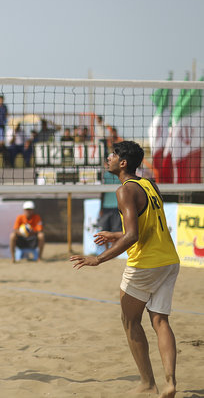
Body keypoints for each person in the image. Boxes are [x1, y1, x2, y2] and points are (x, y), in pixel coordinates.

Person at [70, 141, 180, 398]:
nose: (107, 158)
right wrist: (115, 234)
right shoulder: (149, 184)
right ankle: (170, 382)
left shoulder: (124, 191)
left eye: (112, 155)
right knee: (160, 321)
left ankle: (148, 383)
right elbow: (145, 229)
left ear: (123, 163)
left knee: (130, 321)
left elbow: (132, 237)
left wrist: (98, 259)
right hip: (169, 260)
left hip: (145, 264)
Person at [97, 168, 122, 249]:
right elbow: (102, 192)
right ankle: (107, 249)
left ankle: (113, 250)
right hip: (106, 206)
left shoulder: (121, 175)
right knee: (104, 230)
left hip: (116, 206)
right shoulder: (105, 175)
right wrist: (101, 207)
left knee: (115, 231)